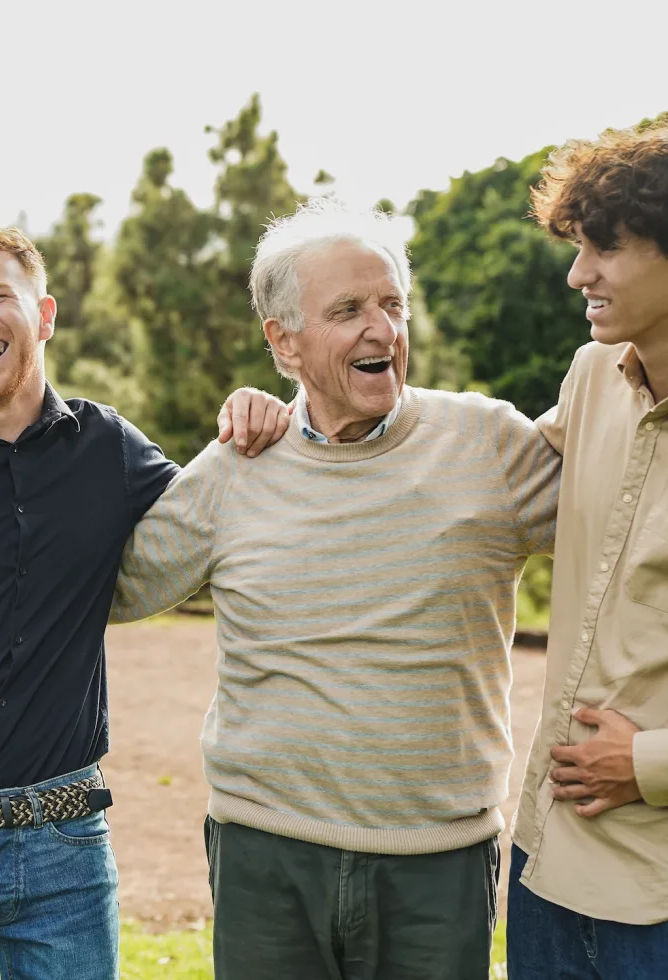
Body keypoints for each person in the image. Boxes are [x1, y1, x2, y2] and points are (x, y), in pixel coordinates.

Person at [0, 222, 291, 980]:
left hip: (64, 848)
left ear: (44, 316)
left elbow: (209, 516)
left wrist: (251, 413)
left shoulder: (109, 449)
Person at [114, 199, 560, 979]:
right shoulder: (236, 467)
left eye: (392, 304)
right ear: (283, 342)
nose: (381, 329)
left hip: (439, 862)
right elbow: (104, 586)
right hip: (266, 855)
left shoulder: (488, 444)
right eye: (349, 310)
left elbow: (624, 526)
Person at [506, 121, 668, 977]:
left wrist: (647, 764)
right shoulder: (591, 377)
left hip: (657, 890)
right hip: (546, 861)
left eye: (606, 247)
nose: (578, 274)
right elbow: (476, 480)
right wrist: (301, 413)